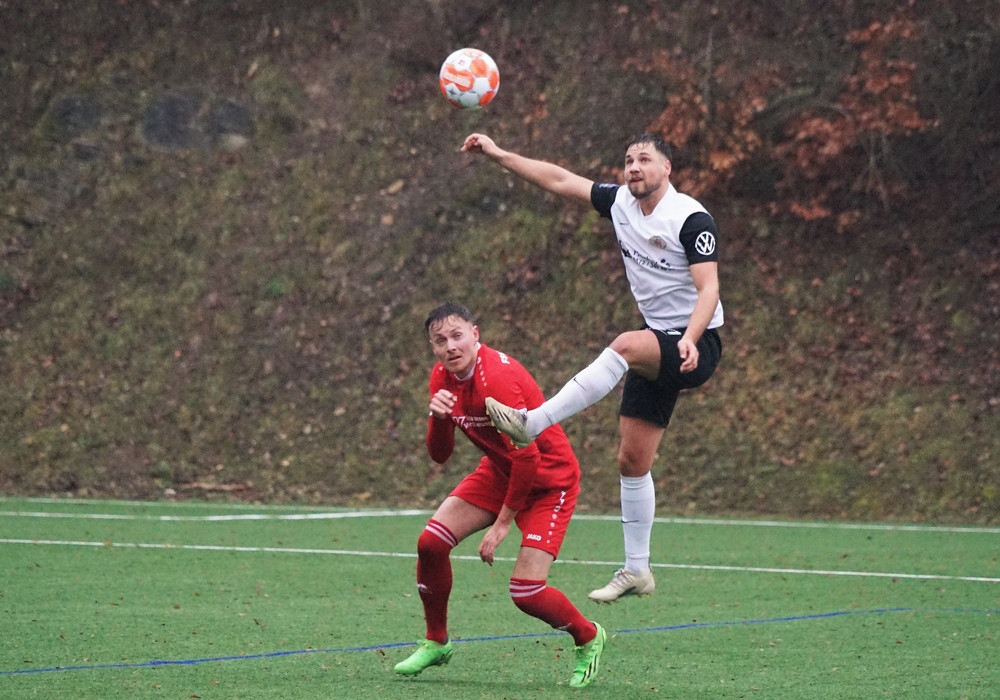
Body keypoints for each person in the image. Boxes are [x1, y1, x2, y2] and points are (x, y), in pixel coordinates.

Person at [461, 132, 723, 603]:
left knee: (624, 345)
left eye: (645, 159)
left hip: (696, 344)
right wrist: (499, 155)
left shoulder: (690, 218)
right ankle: (637, 570)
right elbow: (560, 180)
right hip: (658, 340)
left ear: (667, 168)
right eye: (628, 160)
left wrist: (688, 337)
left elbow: (709, 289)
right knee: (632, 461)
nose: (634, 167)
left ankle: (532, 422)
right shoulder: (620, 202)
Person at [394, 302, 607, 688]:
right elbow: (440, 455)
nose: (450, 346)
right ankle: (436, 642)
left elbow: (529, 456)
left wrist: (502, 524)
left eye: (457, 335)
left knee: (526, 592)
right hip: (501, 469)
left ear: (475, 334)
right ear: (433, 347)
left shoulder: (497, 378)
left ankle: (588, 636)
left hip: (549, 481)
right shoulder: (441, 377)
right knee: (431, 544)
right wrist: (437, 419)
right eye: (440, 341)